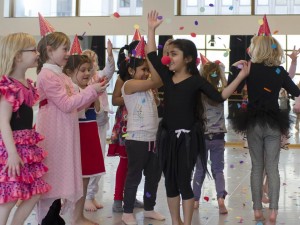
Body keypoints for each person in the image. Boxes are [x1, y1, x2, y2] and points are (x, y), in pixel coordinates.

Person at [147, 10, 249, 225]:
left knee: (184, 181)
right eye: (169, 53)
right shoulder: (167, 76)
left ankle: (186, 221)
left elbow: (220, 96)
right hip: (167, 136)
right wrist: (151, 29)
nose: (169, 57)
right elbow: (151, 56)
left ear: (188, 58)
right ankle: (177, 221)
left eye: (174, 54)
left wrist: (240, 76)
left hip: (188, 139)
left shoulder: (196, 81)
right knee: (170, 182)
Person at [35, 31, 108, 225]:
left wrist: (92, 93)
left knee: (61, 173)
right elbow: (67, 104)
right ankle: (48, 218)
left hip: (66, 129)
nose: (68, 53)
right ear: (49, 50)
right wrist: (92, 91)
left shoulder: (60, 75)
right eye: (64, 49)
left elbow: (76, 106)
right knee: (53, 174)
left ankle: (54, 215)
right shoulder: (47, 75)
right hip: (54, 130)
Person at [230, 36, 300, 223]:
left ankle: (257, 211)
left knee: (256, 168)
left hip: (253, 122)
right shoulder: (279, 70)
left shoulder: (250, 68)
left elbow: (233, 88)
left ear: (257, 49)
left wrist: (236, 69)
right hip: (274, 122)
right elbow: (296, 91)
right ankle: (274, 211)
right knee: (273, 169)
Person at [0, 32, 50, 225]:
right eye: (33, 50)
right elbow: (3, 121)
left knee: (34, 193)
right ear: (18, 56)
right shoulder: (7, 86)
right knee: (10, 198)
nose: (37, 53)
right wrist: (12, 153)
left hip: (26, 146)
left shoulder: (27, 85)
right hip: (11, 147)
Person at [120, 38, 165, 225]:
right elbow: (158, 80)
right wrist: (151, 58)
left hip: (152, 138)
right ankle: (127, 211)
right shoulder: (128, 85)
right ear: (131, 71)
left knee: (152, 177)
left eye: (148, 69)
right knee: (134, 176)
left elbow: (156, 99)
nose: (146, 73)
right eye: (143, 69)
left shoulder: (148, 88)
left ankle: (149, 208)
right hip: (137, 139)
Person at [66, 53, 106, 224]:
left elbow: (98, 112)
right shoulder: (70, 90)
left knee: (86, 177)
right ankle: (74, 215)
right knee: (76, 178)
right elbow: (76, 110)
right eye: (82, 70)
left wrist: (95, 95)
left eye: (89, 69)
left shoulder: (89, 89)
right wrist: (90, 94)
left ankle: (78, 215)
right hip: (78, 134)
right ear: (70, 72)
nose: (86, 73)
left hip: (89, 133)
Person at [107, 41, 144, 213]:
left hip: (141, 124)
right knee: (125, 162)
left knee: (136, 164)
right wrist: (131, 94)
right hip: (126, 125)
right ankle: (117, 199)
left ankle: (131, 196)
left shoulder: (146, 78)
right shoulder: (123, 78)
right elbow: (115, 100)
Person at [82, 39, 115, 212]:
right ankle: (85, 196)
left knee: (99, 159)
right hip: (88, 123)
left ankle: (92, 195)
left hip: (101, 122)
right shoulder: (83, 80)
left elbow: (109, 71)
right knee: (90, 159)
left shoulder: (99, 76)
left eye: (93, 60)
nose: (91, 64)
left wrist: (110, 55)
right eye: (87, 61)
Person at [192, 60, 228, 214]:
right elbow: (226, 82)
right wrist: (221, 69)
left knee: (199, 169)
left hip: (202, 137)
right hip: (218, 137)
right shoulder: (221, 93)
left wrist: (202, 68)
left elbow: (198, 77)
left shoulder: (199, 94)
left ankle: (195, 200)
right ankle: (220, 198)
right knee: (218, 169)